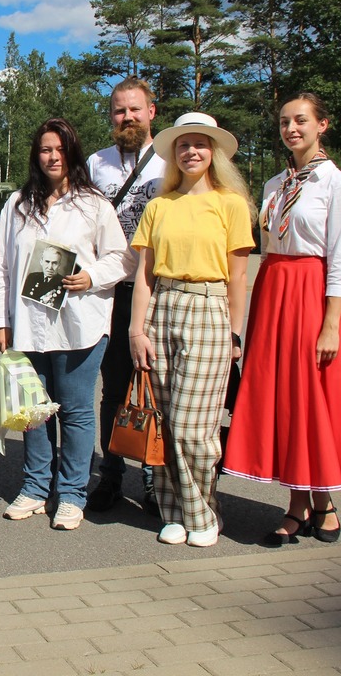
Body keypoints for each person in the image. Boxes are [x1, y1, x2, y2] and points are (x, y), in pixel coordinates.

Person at [223, 92, 341, 545]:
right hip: (275, 292)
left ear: (322, 125)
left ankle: (322, 500)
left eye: (301, 121)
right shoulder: (275, 185)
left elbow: (340, 259)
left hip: (313, 296)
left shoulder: (339, 185)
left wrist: (331, 322)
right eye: (285, 122)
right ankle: (296, 503)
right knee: (284, 399)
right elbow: (268, 246)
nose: (292, 129)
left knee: (315, 400)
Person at [0, 119, 129, 531]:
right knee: (33, 411)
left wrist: (91, 276)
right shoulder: (17, 205)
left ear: (73, 155)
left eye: (61, 150)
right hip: (28, 325)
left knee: (77, 412)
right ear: (36, 155)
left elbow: (122, 258)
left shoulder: (94, 204)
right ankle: (34, 487)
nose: (53, 157)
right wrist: (1, 321)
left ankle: (70, 494)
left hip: (79, 324)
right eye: (46, 149)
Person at [129, 112, 254, 548]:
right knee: (162, 421)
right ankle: (174, 511)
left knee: (192, 426)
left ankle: (204, 510)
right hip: (161, 307)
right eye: (184, 145)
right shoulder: (159, 206)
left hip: (209, 308)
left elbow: (238, 277)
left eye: (200, 144)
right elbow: (144, 274)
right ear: (173, 154)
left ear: (213, 152)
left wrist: (235, 334)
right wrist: (135, 330)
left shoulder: (231, 205)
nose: (191, 151)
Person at [85, 77, 166, 516]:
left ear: (152, 111)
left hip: (155, 288)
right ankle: (112, 474)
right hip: (109, 290)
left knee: (156, 385)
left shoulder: (170, 161)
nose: (127, 118)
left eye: (135, 109)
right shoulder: (97, 163)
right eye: (119, 110)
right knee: (114, 389)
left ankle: (154, 478)